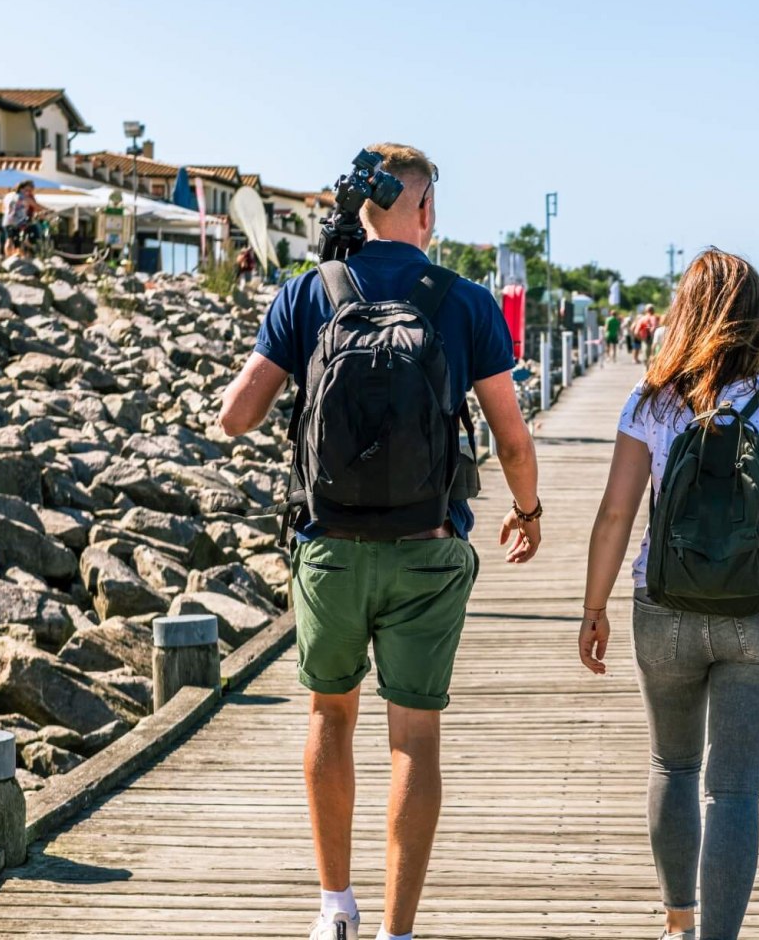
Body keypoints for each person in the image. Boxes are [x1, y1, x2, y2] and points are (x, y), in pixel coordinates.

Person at [216, 142, 544, 940]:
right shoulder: (462, 301)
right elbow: (510, 437)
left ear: (360, 208)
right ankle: (398, 930)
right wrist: (527, 512)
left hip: (328, 545)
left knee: (331, 716)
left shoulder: (309, 293)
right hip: (428, 547)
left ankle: (335, 908)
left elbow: (236, 416)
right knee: (415, 735)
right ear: (424, 210)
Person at [576, 249, 759, 940]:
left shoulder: (653, 399)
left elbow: (615, 516)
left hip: (665, 610)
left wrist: (594, 609)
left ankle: (678, 924)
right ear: (757, 320)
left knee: (673, 764)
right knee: (735, 789)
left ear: (684, 312)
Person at [1, 181, 40, 256]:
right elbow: (36, 206)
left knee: (10, 239)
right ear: (21, 188)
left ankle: (9, 257)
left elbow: (3, 209)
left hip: (7, 221)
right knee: (20, 239)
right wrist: (48, 210)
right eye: (27, 190)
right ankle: (19, 256)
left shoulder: (8, 195)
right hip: (19, 221)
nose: (29, 192)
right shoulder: (24, 197)